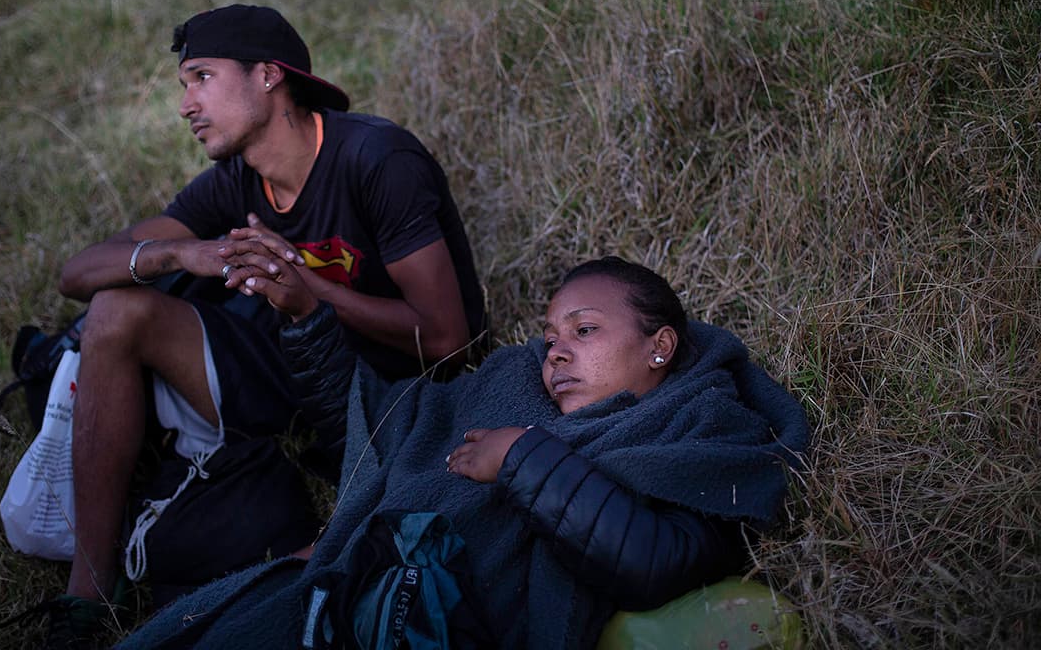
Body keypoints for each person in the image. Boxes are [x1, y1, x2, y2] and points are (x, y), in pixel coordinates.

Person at [45, 4, 486, 644]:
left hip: (377, 393)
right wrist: (177, 254)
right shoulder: (236, 181)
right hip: (284, 366)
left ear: (268, 76)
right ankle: (88, 592)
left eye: (202, 77)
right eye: (184, 85)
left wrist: (309, 287)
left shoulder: (375, 158)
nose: (185, 105)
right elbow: (77, 273)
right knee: (115, 309)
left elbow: (450, 339)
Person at [117, 255, 810, 649]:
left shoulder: (696, 429)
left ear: (659, 346)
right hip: (352, 599)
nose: (556, 349)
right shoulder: (510, 389)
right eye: (550, 335)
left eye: (585, 329)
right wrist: (307, 320)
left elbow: (658, 563)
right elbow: (385, 422)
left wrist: (523, 462)